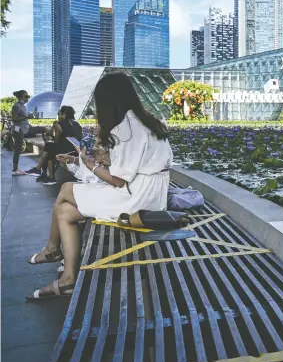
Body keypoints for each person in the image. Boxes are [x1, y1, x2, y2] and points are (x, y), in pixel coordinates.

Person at [26, 72, 173, 300]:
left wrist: (88, 164)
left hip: (135, 198)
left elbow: (118, 180)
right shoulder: (147, 121)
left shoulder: (125, 129)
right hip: (151, 194)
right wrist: (99, 161)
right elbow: (138, 163)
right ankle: (67, 278)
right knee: (65, 212)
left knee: (66, 190)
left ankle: (53, 250)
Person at [26, 106, 82, 184]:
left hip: (66, 151)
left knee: (49, 148)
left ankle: (46, 174)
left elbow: (56, 141)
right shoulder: (77, 124)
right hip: (76, 149)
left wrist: (54, 126)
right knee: (49, 147)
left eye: (59, 113)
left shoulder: (59, 124)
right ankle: (42, 172)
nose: (58, 115)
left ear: (64, 114)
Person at [11, 90, 31, 175]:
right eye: (25, 96)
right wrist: (27, 117)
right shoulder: (17, 106)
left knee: (18, 149)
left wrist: (28, 123)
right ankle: (15, 170)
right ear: (20, 97)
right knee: (18, 149)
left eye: (28, 96)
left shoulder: (23, 106)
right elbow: (14, 119)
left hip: (22, 129)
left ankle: (15, 169)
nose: (27, 98)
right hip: (18, 130)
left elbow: (23, 118)